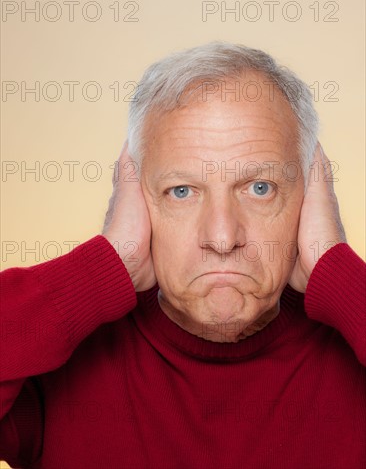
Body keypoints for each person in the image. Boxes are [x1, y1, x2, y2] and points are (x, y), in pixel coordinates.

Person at [0, 41, 365, 469]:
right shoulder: (58, 366)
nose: (223, 237)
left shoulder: (350, 355)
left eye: (259, 188)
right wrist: (103, 267)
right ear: (135, 197)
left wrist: (334, 267)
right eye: (182, 191)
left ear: (310, 196)